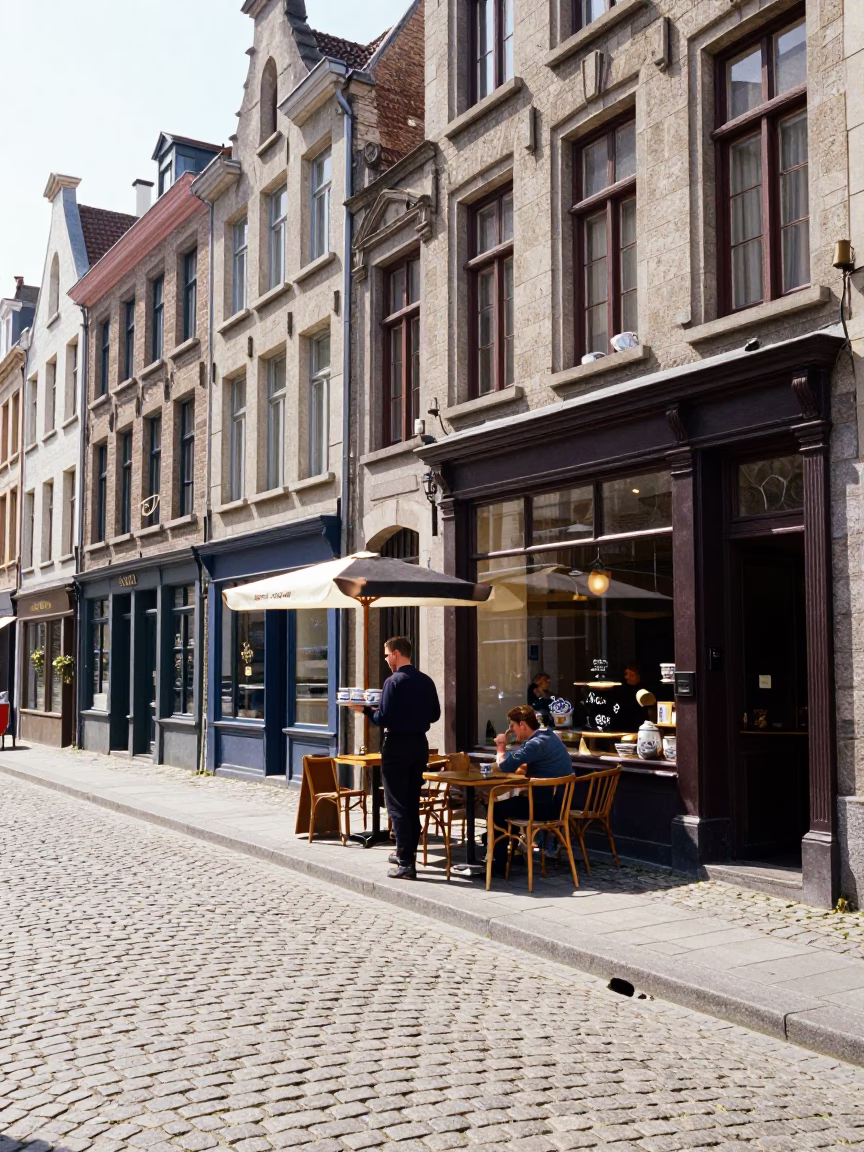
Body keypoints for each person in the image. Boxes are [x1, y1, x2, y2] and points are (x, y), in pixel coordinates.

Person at [357, 636, 440, 881]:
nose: (385, 659)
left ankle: (406, 863)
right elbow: (434, 715)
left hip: (397, 746)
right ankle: (406, 851)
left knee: (397, 804)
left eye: (386, 655)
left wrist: (364, 710)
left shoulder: (393, 681)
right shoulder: (426, 680)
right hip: (419, 745)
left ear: (395, 653)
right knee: (412, 801)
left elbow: (383, 719)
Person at [489, 705, 574, 875]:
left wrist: (500, 746)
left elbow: (505, 766)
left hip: (543, 808)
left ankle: (497, 866)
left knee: (496, 809)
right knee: (507, 807)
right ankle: (509, 850)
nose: (511, 730)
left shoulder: (535, 743)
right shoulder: (549, 736)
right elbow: (540, 763)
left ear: (522, 724)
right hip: (558, 805)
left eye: (512, 725)